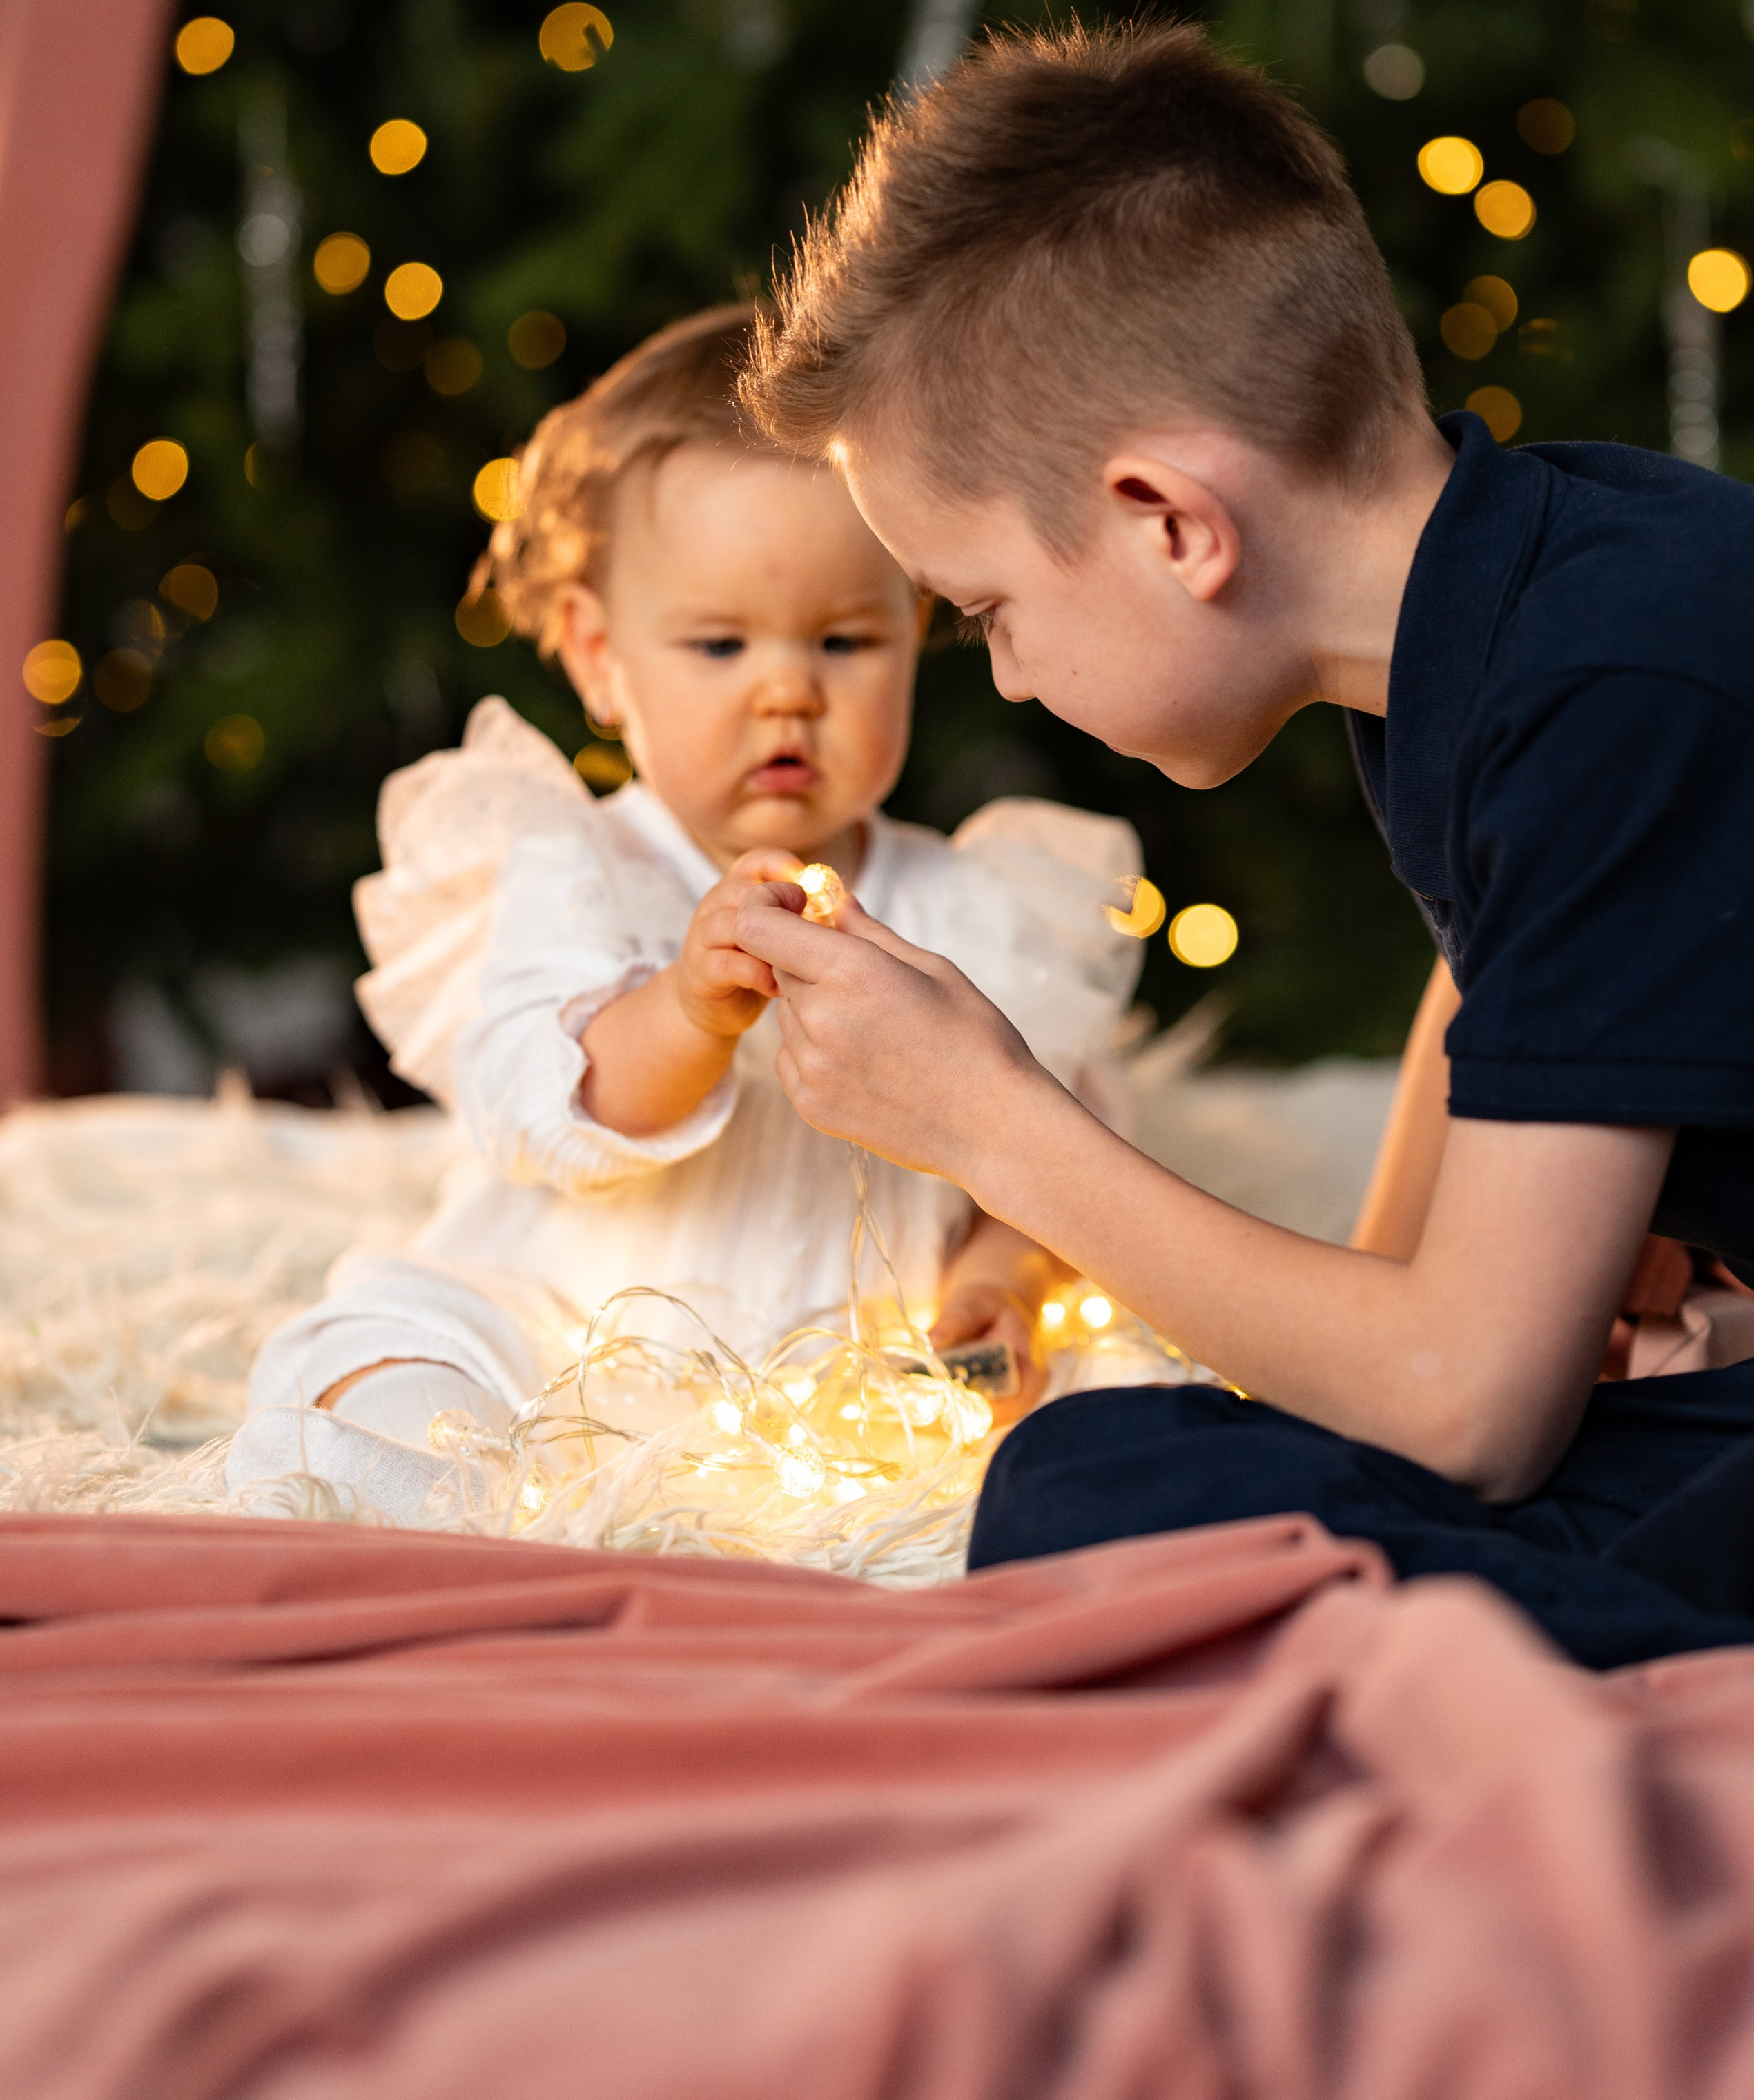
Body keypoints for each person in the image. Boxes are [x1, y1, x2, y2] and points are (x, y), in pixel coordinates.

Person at [731, 19, 1754, 1669]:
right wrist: (1396, 1333)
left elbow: (1465, 1413)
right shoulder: (1502, 601)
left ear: (1169, 523)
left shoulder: (1609, 684)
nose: (999, 670)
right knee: (1127, 1468)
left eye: (987, 609)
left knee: (1102, 1501)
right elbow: (1481, 1002)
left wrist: (992, 1124)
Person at [227, 304, 1144, 1518]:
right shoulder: (577, 867)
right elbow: (544, 1108)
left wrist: (1001, 1269)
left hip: (848, 1362)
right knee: (380, 1370)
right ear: (602, 660)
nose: (786, 693)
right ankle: (459, 1519)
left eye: (843, 639)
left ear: (915, 625)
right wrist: (688, 1007)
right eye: (719, 646)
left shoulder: (975, 902)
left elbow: (1053, 1140)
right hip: (562, 1319)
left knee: (1108, 1398)